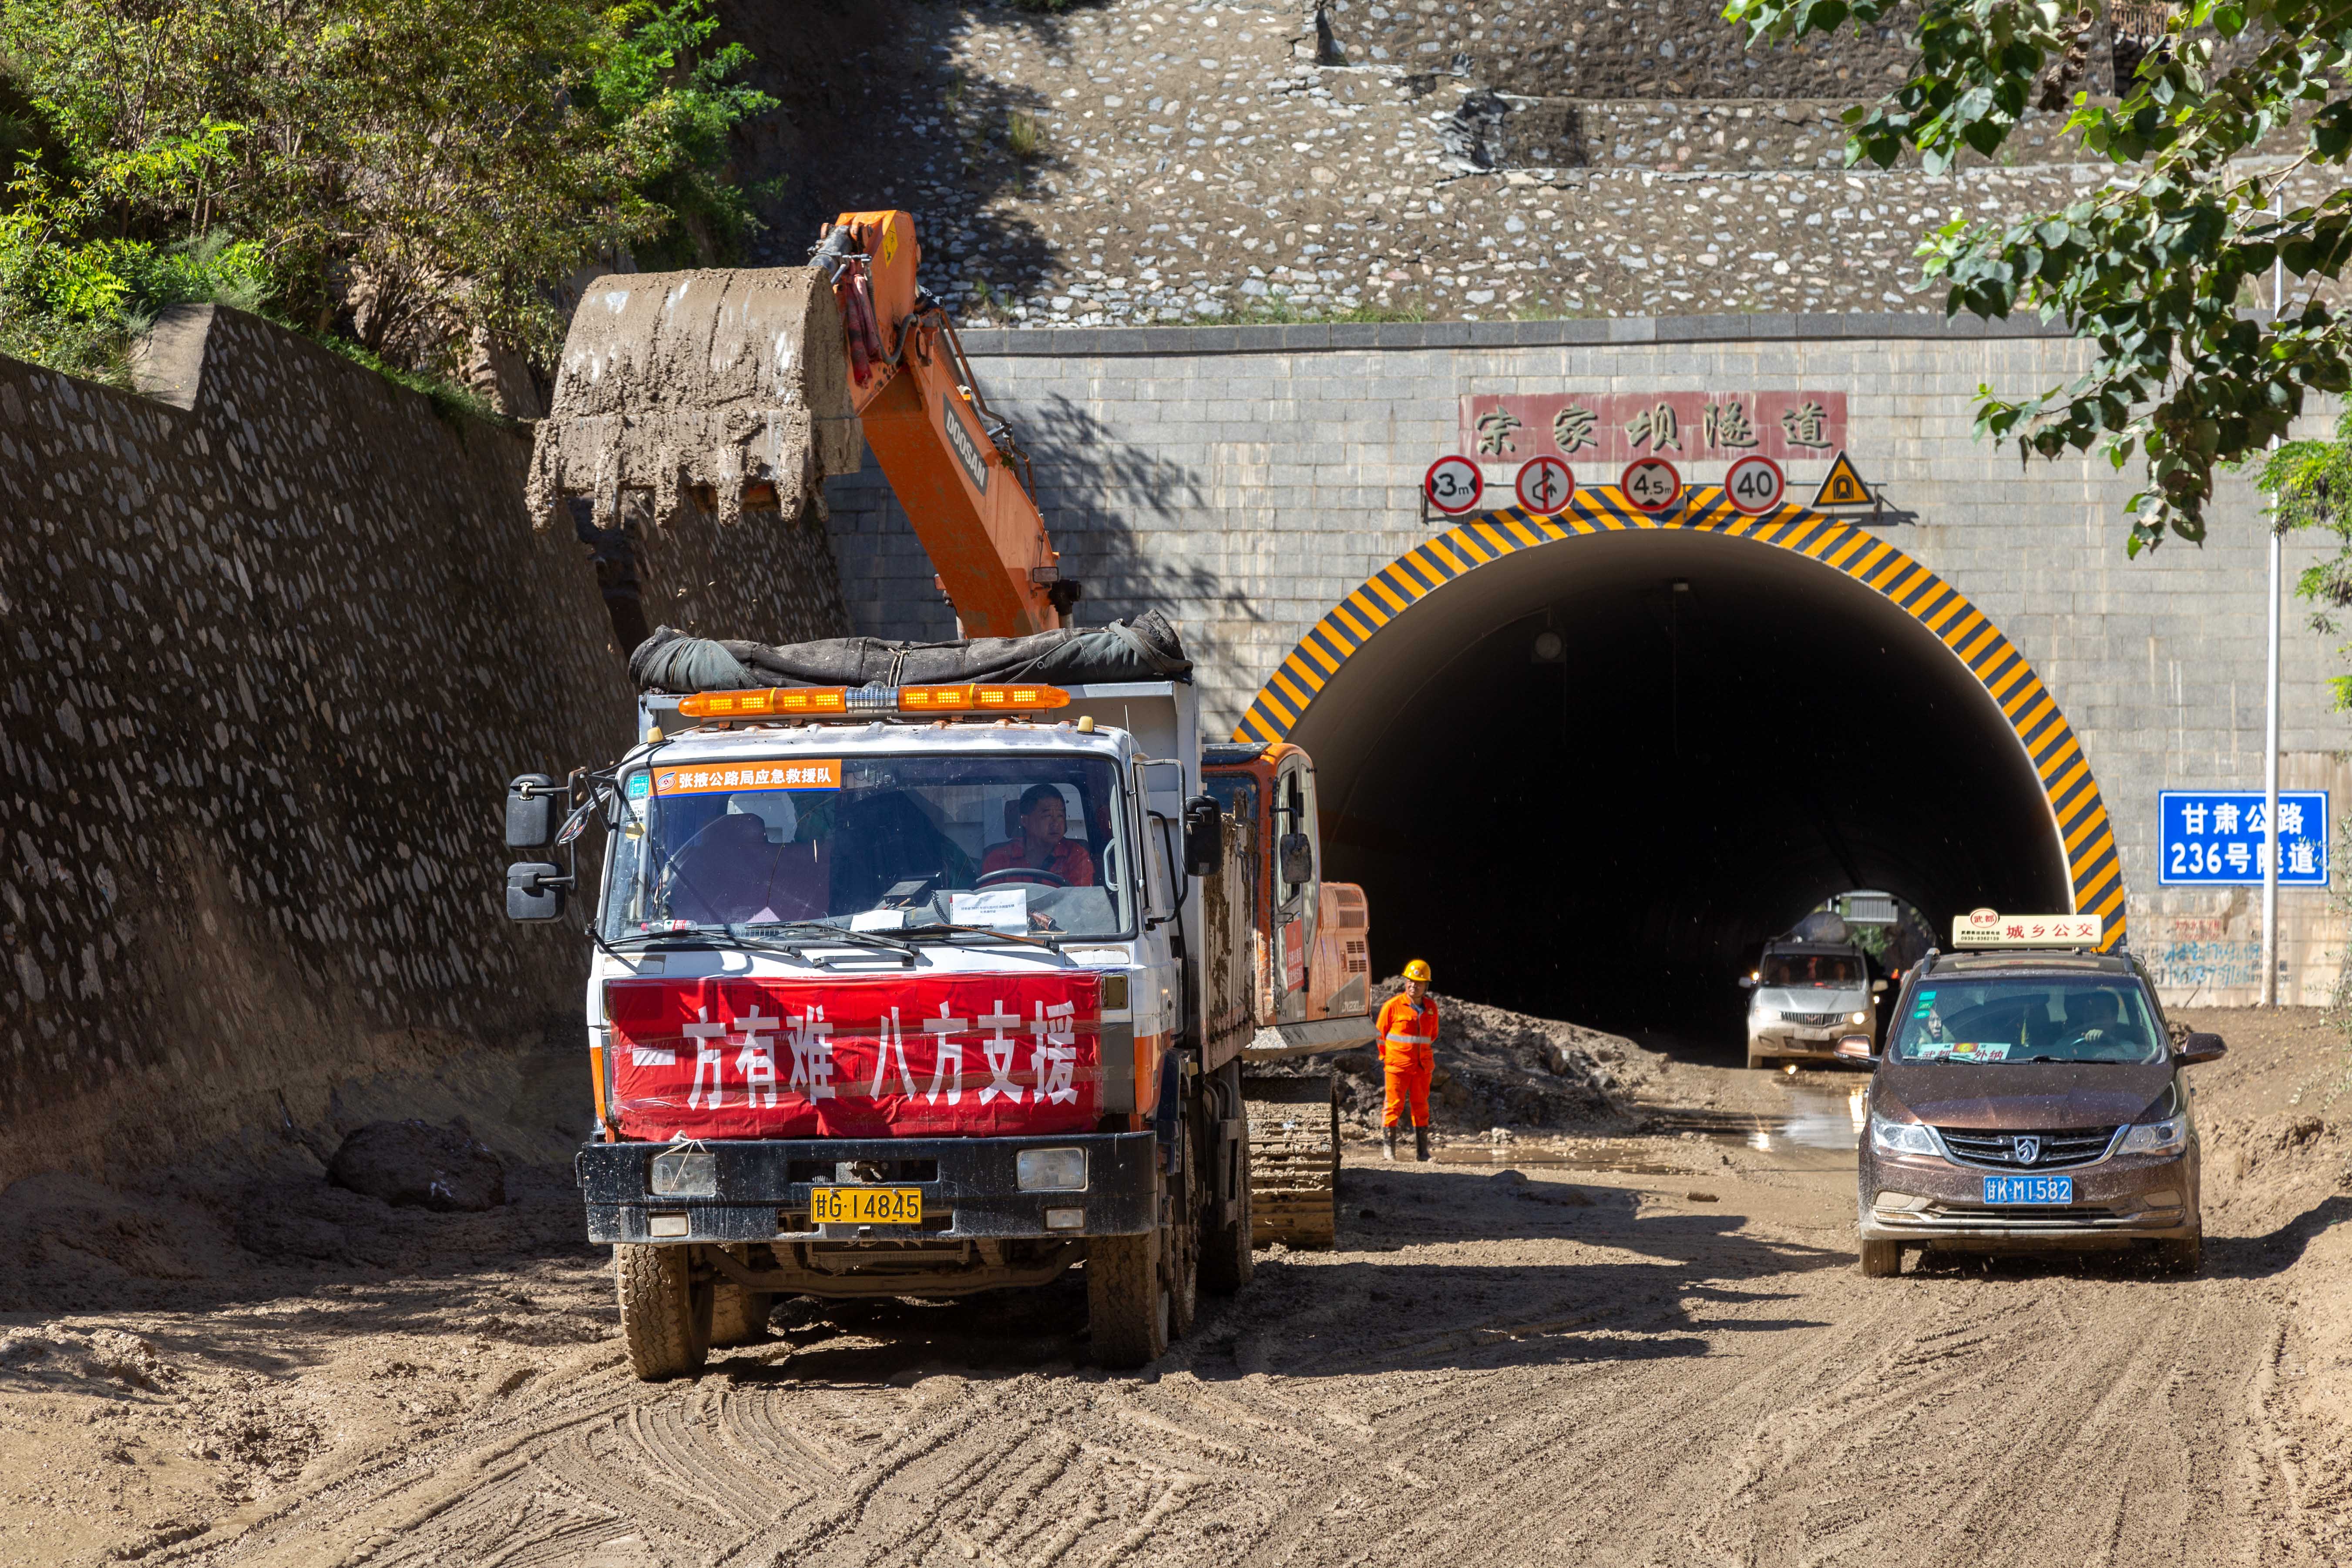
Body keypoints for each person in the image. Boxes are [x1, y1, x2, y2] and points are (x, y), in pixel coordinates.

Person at [1376, 960, 1440, 1162]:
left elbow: (1433, 1035)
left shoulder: (1431, 1008)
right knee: (1393, 1105)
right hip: (1397, 1066)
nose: (1414, 985)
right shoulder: (1393, 1006)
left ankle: (1423, 1153)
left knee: (1421, 1106)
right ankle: (1389, 1153)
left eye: (1419, 982)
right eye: (1410, 981)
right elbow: (1380, 1035)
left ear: (1426, 986)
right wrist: (1389, 1057)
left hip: (1422, 1067)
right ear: (1405, 983)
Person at [981, 783, 1095, 886]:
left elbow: (1082, 904)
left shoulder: (1076, 855)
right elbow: (990, 903)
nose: (1056, 824)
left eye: (1060, 816)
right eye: (1047, 816)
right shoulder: (999, 858)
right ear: (1025, 821)